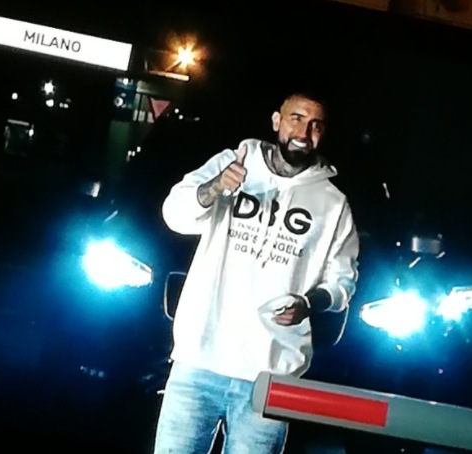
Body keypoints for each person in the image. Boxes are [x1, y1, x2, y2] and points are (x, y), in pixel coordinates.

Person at [154, 89, 359, 453]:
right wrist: (216, 187)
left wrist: (308, 303)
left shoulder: (333, 204)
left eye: (315, 125)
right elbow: (175, 215)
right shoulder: (233, 162)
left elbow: (342, 280)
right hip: (199, 359)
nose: (304, 132)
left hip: (271, 374)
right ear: (277, 121)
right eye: (296, 118)